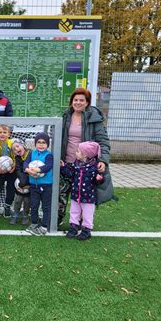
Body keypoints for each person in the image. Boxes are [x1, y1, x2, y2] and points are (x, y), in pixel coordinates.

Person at [60, 88, 114, 226]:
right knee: (61, 193)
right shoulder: (65, 116)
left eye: (81, 100)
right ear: (71, 101)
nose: (78, 102)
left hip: (86, 166)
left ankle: (84, 224)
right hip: (66, 163)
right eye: (75, 100)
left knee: (85, 195)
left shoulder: (94, 119)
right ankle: (58, 219)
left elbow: (103, 141)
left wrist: (103, 160)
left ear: (87, 102)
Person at [60, 141, 104, 241]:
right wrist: (63, 167)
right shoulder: (76, 164)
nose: (76, 153)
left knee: (87, 214)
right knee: (74, 212)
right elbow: (70, 174)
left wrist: (99, 179)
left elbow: (99, 181)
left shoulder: (94, 167)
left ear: (85, 155)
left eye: (78, 151)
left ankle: (86, 230)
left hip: (88, 197)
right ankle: (73, 227)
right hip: (76, 195)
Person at [24, 132, 53, 236]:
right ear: (35, 144)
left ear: (47, 145)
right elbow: (26, 163)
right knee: (34, 205)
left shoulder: (49, 155)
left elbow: (48, 166)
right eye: (39, 142)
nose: (41, 145)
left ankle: (44, 226)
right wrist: (28, 170)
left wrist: (38, 169)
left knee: (46, 206)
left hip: (46, 185)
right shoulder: (32, 153)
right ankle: (34, 223)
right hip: (33, 185)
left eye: (44, 143)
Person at [10, 139, 31, 225]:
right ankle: (15, 214)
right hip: (20, 184)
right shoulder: (17, 158)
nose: (16, 149)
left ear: (23, 145)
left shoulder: (31, 154)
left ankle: (25, 215)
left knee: (27, 201)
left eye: (17, 146)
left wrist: (28, 182)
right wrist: (22, 182)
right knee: (18, 200)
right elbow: (18, 170)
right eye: (14, 149)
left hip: (30, 183)